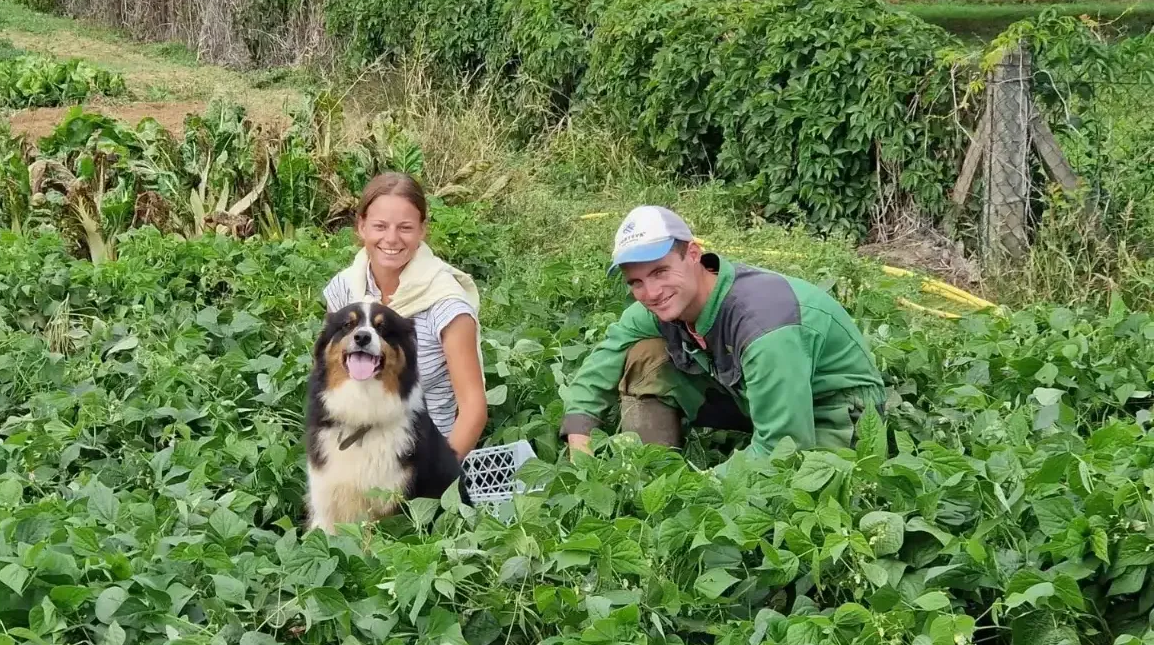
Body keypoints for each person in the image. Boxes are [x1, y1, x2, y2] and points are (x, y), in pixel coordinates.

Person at [560, 205, 886, 459]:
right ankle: (652, 474)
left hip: (830, 411)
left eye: (660, 271)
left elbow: (784, 448)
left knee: (796, 482)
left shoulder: (762, 323)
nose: (652, 292)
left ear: (692, 254)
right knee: (644, 356)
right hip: (755, 398)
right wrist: (579, 434)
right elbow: (602, 362)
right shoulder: (658, 308)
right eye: (637, 282)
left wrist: (695, 491)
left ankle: (673, 495)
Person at [322, 172, 488, 460]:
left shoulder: (445, 305)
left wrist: (436, 479)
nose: (391, 238)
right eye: (380, 226)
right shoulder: (345, 289)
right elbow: (330, 375)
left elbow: (473, 411)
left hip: (421, 454)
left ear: (423, 230)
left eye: (405, 227)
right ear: (361, 226)